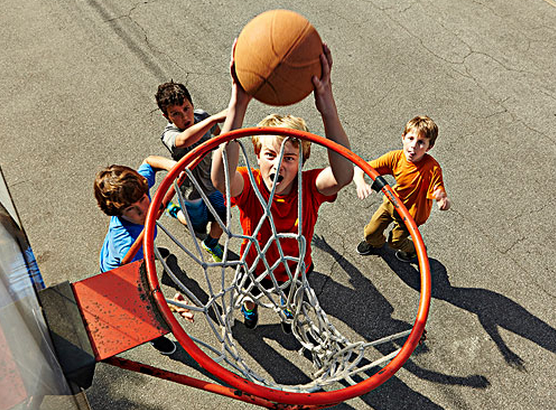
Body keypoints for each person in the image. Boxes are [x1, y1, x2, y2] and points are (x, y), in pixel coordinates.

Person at [211, 43, 353, 330]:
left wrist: (327, 108)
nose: (279, 165)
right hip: (254, 266)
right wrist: (238, 103)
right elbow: (221, 179)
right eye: (270, 155)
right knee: (248, 294)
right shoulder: (250, 184)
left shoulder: (309, 187)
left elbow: (344, 175)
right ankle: (250, 309)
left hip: (296, 268)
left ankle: (288, 310)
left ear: (301, 162)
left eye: (289, 157)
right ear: (257, 155)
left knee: (291, 297)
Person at [94, 155, 194, 354]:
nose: (144, 210)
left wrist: (174, 167)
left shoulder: (135, 189)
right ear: (117, 213)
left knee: (148, 245)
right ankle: (156, 339)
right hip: (121, 274)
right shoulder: (128, 245)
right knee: (144, 314)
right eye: (132, 209)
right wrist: (173, 306)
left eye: (142, 200)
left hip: (133, 250)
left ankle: (151, 253)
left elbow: (149, 161)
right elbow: (146, 293)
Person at [353, 115, 451, 262]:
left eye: (421, 142)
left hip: (412, 215)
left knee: (395, 242)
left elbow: (440, 193)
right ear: (403, 138)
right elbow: (359, 168)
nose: (413, 146)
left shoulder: (432, 168)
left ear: (429, 147)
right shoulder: (395, 157)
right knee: (370, 233)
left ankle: (414, 250)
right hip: (392, 203)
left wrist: (443, 201)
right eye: (411, 139)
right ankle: (375, 243)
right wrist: (361, 182)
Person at [155, 81, 228, 262]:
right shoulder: (169, 134)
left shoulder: (202, 116)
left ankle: (211, 243)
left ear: (192, 104)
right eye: (176, 114)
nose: (185, 116)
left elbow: (217, 133)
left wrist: (221, 141)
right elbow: (183, 141)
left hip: (211, 183)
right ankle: (176, 212)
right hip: (191, 191)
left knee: (224, 217)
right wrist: (213, 120)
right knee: (198, 227)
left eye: (186, 108)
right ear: (167, 117)